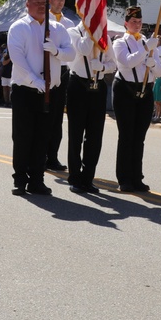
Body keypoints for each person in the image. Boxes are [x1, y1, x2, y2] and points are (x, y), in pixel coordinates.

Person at [7, 0, 75, 196]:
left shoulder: (57, 28)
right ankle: (20, 179)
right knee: (23, 136)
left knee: (42, 137)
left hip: (51, 92)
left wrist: (56, 51)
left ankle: (37, 179)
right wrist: (35, 80)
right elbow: (17, 58)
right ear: (27, 4)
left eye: (43, 3)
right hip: (25, 91)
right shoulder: (18, 27)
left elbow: (70, 53)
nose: (40, 6)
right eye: (35, 2)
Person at [111, 6, 159, 193]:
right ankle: (124, 178)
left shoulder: (149, 42)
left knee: (139, 137)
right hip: (125, 89)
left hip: (145, 90)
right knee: (126, 136)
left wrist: (153, 63)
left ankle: (137, 177)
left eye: (139, 22)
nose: (137, 25)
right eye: (133, 22)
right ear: (126, 24)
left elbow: (160, 72)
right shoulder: (120, 42)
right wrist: (146, 50)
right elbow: (128, 61)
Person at [65, 21, 116, 193]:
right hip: (78, 85)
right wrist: (91, 31)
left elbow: (113, 64)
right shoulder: (73, 32)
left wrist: (101, 66)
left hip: (98, 86)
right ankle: (74, 177)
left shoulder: (105, 37)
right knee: (76, 134)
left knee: (95, 136)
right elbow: (84, 49)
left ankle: (88, 178)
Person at [45, 0, 77, 171]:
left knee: (57, 117)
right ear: (50, 0)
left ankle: (53, 157)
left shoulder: (69, 24)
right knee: (44, 115)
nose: (60, 2)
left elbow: (70, 52)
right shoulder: (43, 20)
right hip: (46, 70)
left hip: (63, 72)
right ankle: (39, 155)